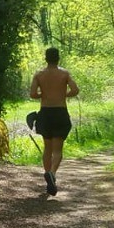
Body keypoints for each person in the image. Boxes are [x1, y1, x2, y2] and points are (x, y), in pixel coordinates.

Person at [29, 47, 79, 195]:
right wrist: (63, 94)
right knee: (57, 150)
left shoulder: (39, 74)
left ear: (46, 58)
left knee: (47, 148)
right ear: (58, 58)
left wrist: (44, 95)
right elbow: (75, 90)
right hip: (60, 112)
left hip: (45, 113)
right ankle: (52, 173)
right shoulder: (64, 74)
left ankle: (48, 176)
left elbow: (32, 94)